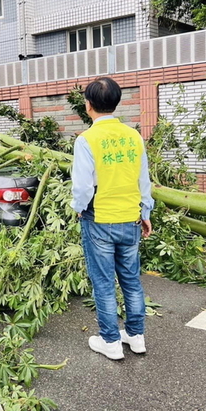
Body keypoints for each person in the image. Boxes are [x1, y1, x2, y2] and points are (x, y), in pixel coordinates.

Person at [71, 77, 154, 361]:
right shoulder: (134, 137)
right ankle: (136, 336)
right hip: (131, 218)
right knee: (131, 280)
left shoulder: (87, 140)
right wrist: (145, 212)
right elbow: (144, 180)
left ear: (88, 105)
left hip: (99, 220)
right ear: (116, 103)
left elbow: (82, 187)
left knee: (104, 283)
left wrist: (78, 207)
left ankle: (111, 342)